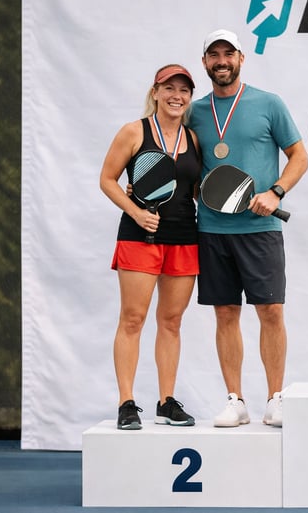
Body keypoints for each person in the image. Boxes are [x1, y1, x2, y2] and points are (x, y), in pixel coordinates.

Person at [188, 29, 308, 428]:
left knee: (271, 311)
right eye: (214, 55)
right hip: (212, 230)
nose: (221, 61)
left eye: (228, 53)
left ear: (241, 58)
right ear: (205, 62)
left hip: (261, 229)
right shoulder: (194, 112)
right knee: (226, 313)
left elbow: (299, 157)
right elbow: (188, 166)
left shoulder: (268, 104)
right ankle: (235, 400)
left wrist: (276, 192)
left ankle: (276, 398)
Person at [100, 64, 200, 430]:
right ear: (155, 92)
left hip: (184, 238)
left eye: (184, 90)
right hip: (139, 236)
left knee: (171, 322)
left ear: (189, 98)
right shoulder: (133, 131)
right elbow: (107, 179)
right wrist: (136, 212)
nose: (177, 95)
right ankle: (127, 403)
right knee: (133, 319)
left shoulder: (194, 138)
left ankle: (166, 401)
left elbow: (194, 190)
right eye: (169, 88)